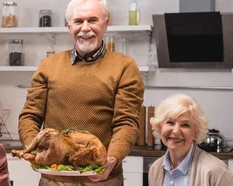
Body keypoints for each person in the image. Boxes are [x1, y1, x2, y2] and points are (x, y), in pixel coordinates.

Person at [17, 0, 145, 184]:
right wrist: (33, 149)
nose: (85, 28)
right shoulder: (49, 65)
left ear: (105, 24)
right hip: (55, 179)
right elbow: (30, 116)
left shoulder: (124, 67)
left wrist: (113, 158)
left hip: (103, 179)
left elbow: (126, 122)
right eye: (78, 21)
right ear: (69, 27)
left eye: (93, 20)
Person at [148, 94, 233, 186]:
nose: (176, 131)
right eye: (170, 122)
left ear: (195, 133)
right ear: (160, 127)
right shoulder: (155, 169)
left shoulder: (217, 172)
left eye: (185, 125)